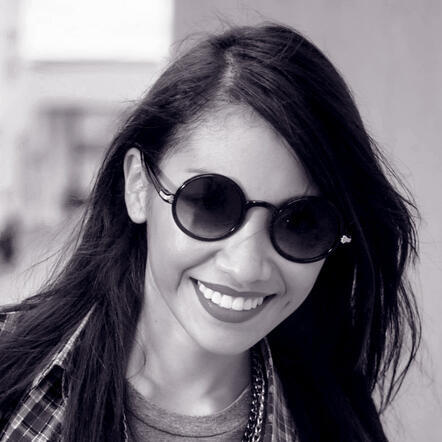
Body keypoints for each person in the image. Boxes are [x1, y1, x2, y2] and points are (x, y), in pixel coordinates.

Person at [0, 23, 420, 441]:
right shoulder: (10, 373)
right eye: (210, 203)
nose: (246, 267)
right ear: (138, 187)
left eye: (301, 223)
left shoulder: (337, 424)